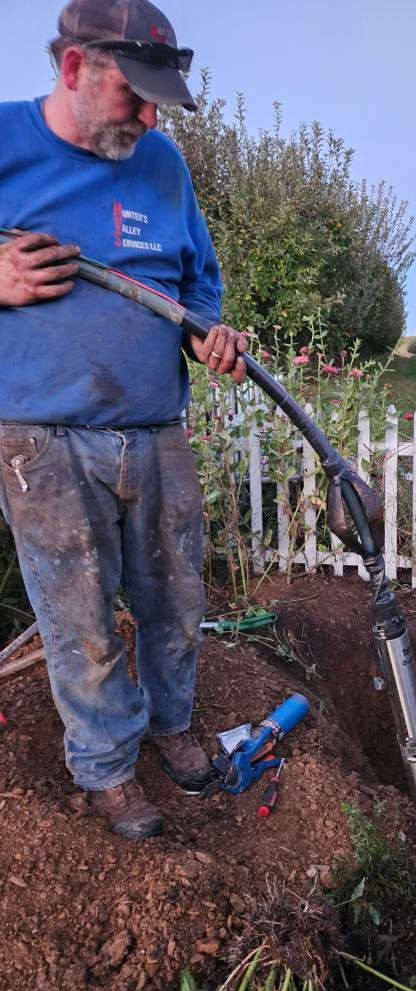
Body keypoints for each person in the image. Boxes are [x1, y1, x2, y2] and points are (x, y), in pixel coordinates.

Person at [0, 0, 249, 840]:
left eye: (159, 100)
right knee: (80, 616)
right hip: (41, 436)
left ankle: (171, 729)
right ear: (73, 69)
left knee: (177, 596)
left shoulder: (163, 165)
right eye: (133, 96)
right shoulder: (4, 142)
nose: (149, 117)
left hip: (155, 427)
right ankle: (107, 766)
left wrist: (207, 333)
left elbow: (198, 279)